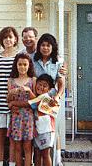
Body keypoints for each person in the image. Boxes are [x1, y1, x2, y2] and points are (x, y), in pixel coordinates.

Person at [8, 74, 58, 166]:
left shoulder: (46, 97)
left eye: (45, 85)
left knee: (45, 154)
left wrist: (13, 103)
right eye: (39, 84)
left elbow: (29, 103)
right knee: (37, 154)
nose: (41, 87)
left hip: (47, 130)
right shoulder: (38, 96)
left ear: (49, 88)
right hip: (37, 130)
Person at [0, 26, 20, 166]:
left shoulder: (19, 57)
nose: (8, 40)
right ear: (1, 40)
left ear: (15, 40)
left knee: (13, 136)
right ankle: (0, 163)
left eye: (10, 37)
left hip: (14, 103)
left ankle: (12, 164)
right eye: (5, 37)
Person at [33, 33, 65, 166]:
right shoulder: (33, 61)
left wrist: (57, 96)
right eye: (43, 45)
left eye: (48, 45)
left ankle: (57, 161)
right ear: (39, 46)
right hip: (37, 100)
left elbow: (62, 83)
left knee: (51, 132)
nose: (45, 48)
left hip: (51, 101)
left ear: (53, 47)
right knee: (38, 131)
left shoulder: (58, 62)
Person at [7, 53, 36, 166]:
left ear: (29, 65)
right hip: (16, 117)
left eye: (25, 64)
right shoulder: (11, 81)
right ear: (16, 65)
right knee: (17, 148)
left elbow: (35, 101)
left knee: (28, 147)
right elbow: (8, 102)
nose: (22, 67)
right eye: (20, 64)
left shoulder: (32, 80)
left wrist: (29, 91)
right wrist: (11, 93)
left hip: (28, 118)